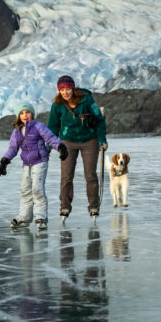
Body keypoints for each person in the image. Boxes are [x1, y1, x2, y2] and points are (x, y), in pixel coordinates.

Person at [0, 102, 67, 230]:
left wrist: (60, 147)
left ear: (32, 114)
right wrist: (5, 160)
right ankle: (24, 217)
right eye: (22, 113)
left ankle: (41, 217)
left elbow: (51, 138)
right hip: (26, 163)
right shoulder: (17, 131)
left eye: (28, 112)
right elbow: (13, 148)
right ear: (18, 116)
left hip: (40, 161)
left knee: (37, 189)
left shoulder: (38, 126)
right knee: (25, 190)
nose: (25, 115)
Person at [48, 75, 107, 220]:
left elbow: (100, 120)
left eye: (68, 89)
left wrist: (102, 139)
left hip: (89, 141)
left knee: (90, 175)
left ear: (72, 88)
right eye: (62, 90)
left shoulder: (86, 100)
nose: (65, 92)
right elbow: (53, 126)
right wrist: (49, 144)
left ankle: (93, 206)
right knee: (66, 176)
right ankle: (65, 207)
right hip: (68, 141)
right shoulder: (57, 104)